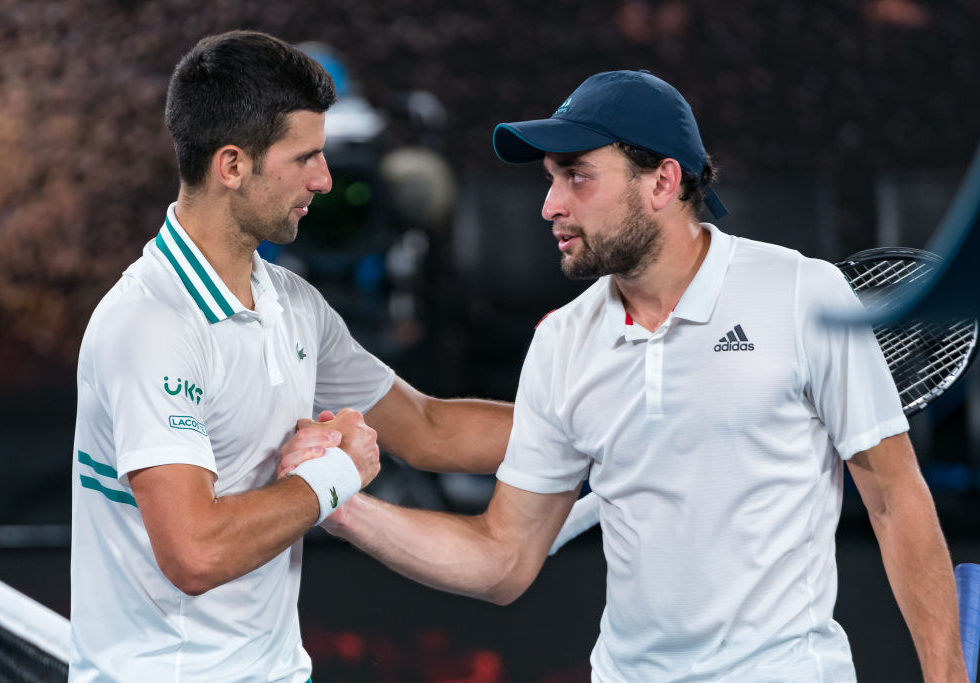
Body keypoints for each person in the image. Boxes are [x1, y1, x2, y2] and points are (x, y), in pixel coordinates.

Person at [285, 70, 968, 681]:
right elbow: (501, 558)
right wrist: (340, 505)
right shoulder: (563, 342)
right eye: (550, 177)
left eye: (577, 175)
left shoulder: (801, 293)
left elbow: (895, 500)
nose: (551, 204)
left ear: (663, 182)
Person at [68, 30, 511, 681]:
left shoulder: (292, 304)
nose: (325, 180)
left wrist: (600, 423)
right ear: (232, 165)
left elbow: (429, 429)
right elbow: (194, 551)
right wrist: (336, 475)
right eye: (304, 158)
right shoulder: (149, 324)